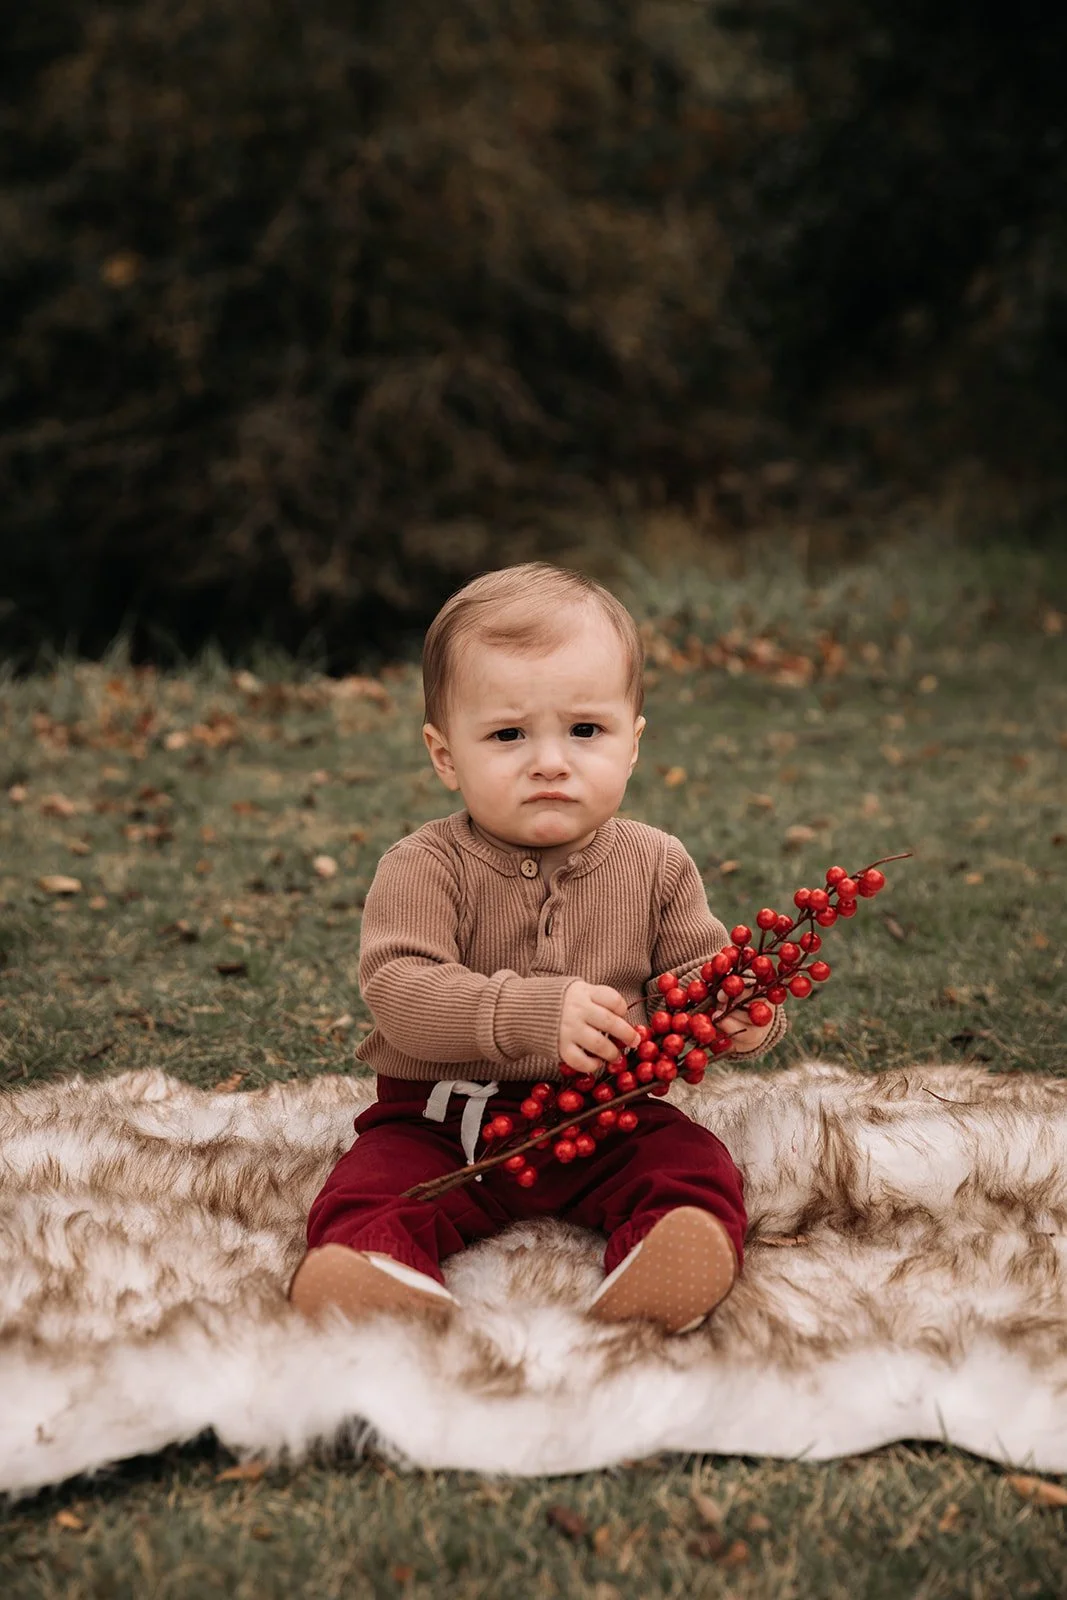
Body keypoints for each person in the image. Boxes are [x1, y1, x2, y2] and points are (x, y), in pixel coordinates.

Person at [289, 563, 786, 1333]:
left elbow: (696, 979)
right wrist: (527, 1015)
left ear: (630, 745)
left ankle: (661, 1257)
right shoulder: (422, 866)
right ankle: (376, 1273)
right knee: (371, 1187)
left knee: (689, 1164)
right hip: (445, 1121)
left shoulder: (657, 864)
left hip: (610, 1118)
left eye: (584, 731)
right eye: (507, 734)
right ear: (445, 754)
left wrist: (736, 1012)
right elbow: (400, 992)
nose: (549, 760)